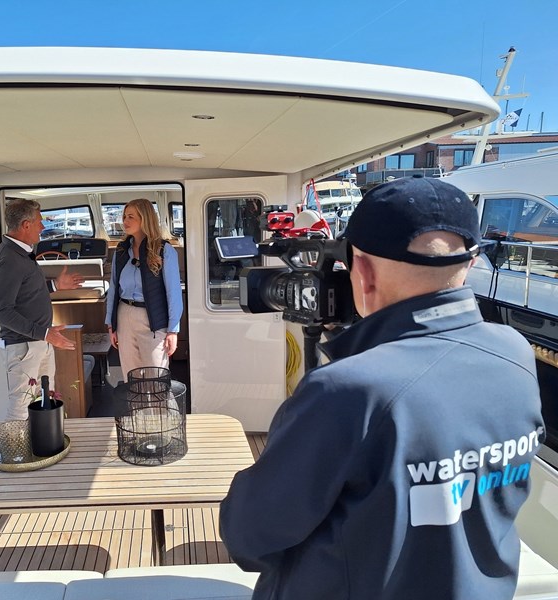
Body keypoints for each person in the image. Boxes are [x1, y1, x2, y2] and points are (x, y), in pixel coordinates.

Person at [219, 176, 545, 600]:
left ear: (364, 272)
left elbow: (249, 535)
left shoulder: (346, 391)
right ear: (471, 262)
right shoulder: (515, 353)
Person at [0, 198, 83, 420]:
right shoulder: (8, 259)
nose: (42, 227)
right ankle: (16, 444)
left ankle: (41, 440)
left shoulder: (21, 254)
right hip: (24, 348)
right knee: (21, 408)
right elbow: (2, 312)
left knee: (43, 402)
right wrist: (45, 333)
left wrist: (55, 286)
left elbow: (26, 292)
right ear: (26, 225)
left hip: (37, 342)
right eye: (39, 222)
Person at [105, 198, 183, 381]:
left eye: (131, 217)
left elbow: (173, 292)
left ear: (145, 219)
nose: (125, 221)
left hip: (153, 319)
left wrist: (173, 331)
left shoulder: (164, 250)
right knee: (131, 376)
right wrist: (111, 324)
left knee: (156, 376)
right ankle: (134, 402)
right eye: (124, 216)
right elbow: (114, 287)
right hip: (124, 316)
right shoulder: (121, 251)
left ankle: (159, 402)